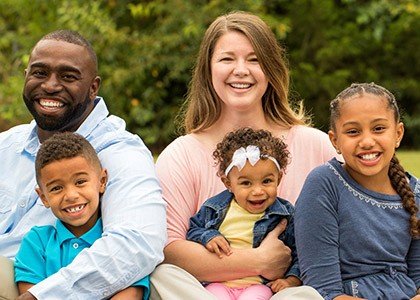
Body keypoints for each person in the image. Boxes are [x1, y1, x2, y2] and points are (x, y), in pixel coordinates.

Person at [151, 11, 335, 300]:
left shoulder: (317, 145)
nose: (240, 70)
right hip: (208, 294)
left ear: (271, 69)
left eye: (254, 59)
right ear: (208, 69)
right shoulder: (181, 155)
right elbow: (168, 248)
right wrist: (259, 261)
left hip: (287, 291)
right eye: (227, 59)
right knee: (162, 276)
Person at [0, 30, 166, 300]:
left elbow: (136, 245)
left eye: (68, 76)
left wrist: (41, 297)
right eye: (40, 73)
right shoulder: (5, 145)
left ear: (93, 87)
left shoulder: (119, 152)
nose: (51, 86)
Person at [294, 82, 420, 300]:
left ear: (398, 133)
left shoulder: (415, 193)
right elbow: (323, 289)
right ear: (335, 140)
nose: (367, 141)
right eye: (353, 132)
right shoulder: (324, 184)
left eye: (379, 128)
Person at [15, 132, 150, 300]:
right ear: (43, 197)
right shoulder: (37, 243)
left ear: (102, 181)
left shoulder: (118, 244)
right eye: (56, 188)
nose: (71, 195)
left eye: (80, 182)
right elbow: (32, 295)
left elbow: (132, 293)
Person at [187, 127, 302, 299]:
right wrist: (208, 236)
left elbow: (299, 254)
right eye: (246, 183)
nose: (258, 191)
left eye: (267, 181)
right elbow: (193, 230)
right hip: (218, 283)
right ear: (228, 183)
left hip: (258, 286)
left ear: (279, 177)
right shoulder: (214, 208)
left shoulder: (285, 215)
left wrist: (291, 281)